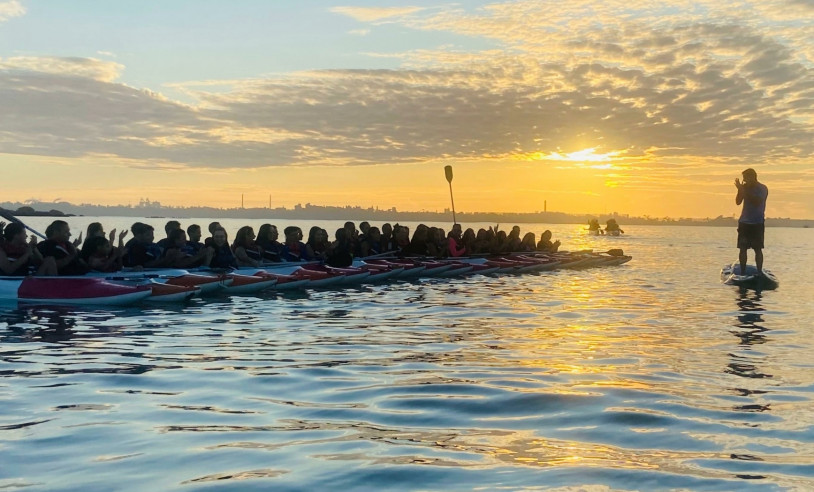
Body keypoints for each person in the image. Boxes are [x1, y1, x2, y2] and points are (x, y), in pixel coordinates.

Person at [735, 168, 769, 275]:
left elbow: (756, 202)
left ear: (753, 177)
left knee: (757, 249)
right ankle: (743, 272)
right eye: (744, 179)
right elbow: (738, 202)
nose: (744, 181)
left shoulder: (762, 188)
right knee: (743, 248)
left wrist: (744, 191)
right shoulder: (744, 188)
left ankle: (759, 272)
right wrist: (740, 190)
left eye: (746, 178)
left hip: (757, 223)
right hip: (744, 223)